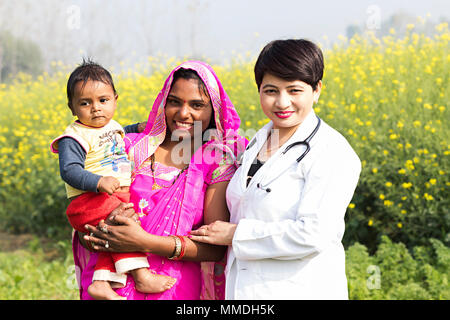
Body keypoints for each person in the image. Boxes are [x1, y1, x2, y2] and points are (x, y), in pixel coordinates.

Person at [189, 39, 362, 299]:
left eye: (294, 90)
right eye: (271, 91)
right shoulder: (257, 141)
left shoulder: (332, 151)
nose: (282, 103)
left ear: (316, 90)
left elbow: (314, 234)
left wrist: (237, 234)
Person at [76, 60, 247, 300]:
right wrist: (100, 235)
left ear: (214, 110)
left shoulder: (216, 162)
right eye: (174, 102)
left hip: (173, 288)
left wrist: (144, 242)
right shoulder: (130, 148)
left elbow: (215, 247)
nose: (183, 113)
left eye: (197, 105)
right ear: (163, 102)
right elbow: (87, 213)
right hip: (110, 285)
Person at [51, 60, 177, 300]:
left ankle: (101, 282)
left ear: (115, 99)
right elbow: (69, 171)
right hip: (88, 200)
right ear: (72, 107)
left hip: (106, 198)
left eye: (103, 100)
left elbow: (118, 135)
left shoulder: (112, 126)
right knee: (125, 227)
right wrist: (98, 182)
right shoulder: (74, 137)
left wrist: (139, 127)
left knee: (115, 232)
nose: (96, 108)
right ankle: (141, 275)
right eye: (85, 103)